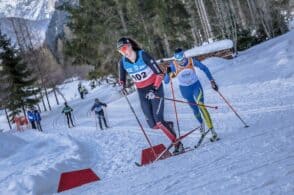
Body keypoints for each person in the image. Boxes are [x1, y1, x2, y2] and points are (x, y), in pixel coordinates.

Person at [117, 37, 183, 154]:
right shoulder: (122, 62)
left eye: (124, 48)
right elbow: (121, 79)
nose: (123, 52)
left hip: (155, 88)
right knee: (152, 125)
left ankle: (177, 144)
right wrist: (121, 86)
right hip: (142, 92)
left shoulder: (143, 55)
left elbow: (159, 73)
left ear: (130, 46)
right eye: (120, 51)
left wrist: (154, 89)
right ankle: (168, 126)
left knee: (158, 121)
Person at [164, 48, 219, 141]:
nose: (181, 61)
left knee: (201, 105)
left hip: (195, 86)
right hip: (185, 90)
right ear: (175, 59)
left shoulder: (191, 61)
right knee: (195, 109)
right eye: (178, 60)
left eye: (182, 58)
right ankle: (201, 124)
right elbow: (166, 81)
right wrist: (168, 73)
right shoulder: (173, 65)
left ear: (184, 56)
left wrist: (212, 80)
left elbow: (204, 68)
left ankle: (212, 130)